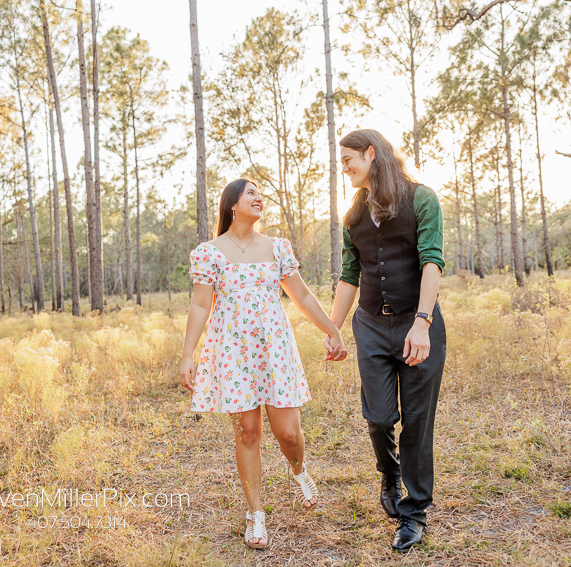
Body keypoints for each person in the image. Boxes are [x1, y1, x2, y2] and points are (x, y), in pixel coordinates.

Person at [179, 178, 347, 550]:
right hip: (232, 352)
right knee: (248, 432)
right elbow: (199, 305)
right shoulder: (209, 252)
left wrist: (332, 329)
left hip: (274, 350)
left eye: (260, 194)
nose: (259, 198)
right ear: (232, 204)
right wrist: (188, 353)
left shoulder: (277, 247)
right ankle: (255, 515)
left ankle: (299, 471)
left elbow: (300, 294)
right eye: (251, 192)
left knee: (287, 432)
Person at [324, 129, 446, 552]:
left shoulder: (421, 199)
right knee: (378, 416)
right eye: (341, 161)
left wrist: (422, 322)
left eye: (348, 159)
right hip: (371, 326)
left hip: (418, 324)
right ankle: (389, 473)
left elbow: (432, 262)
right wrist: (332, 328)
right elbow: (348, 275)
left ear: (371, 154)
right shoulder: (353, 214)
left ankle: (414, 513)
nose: (344, 167)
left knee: (416, 420)